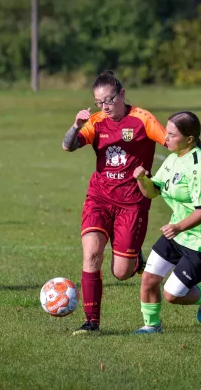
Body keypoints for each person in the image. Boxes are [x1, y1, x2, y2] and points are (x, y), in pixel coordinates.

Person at [61, 70, 166, 335]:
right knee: (91, 254)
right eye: (99, 102)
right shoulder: (96, 122)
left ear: (122, 94)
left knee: (121, 272)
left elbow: (170, 142)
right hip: (99, 198)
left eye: (109, 100)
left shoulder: (143, 120)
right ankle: (91, 322)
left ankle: (134, 261)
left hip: (132, 204)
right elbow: (68, 146)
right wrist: (75, 126)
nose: (105, 107)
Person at [132, 111, 201, 334]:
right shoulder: (173, 159)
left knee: (172, 295)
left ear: (189, 139)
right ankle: (151, 326)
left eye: (172, 135)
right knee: (149, 279)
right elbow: (152, 192)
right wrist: (142, 179)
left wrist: (177, 227)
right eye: (167, 133)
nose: (166, 139)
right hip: (177, 232)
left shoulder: (200, 167)